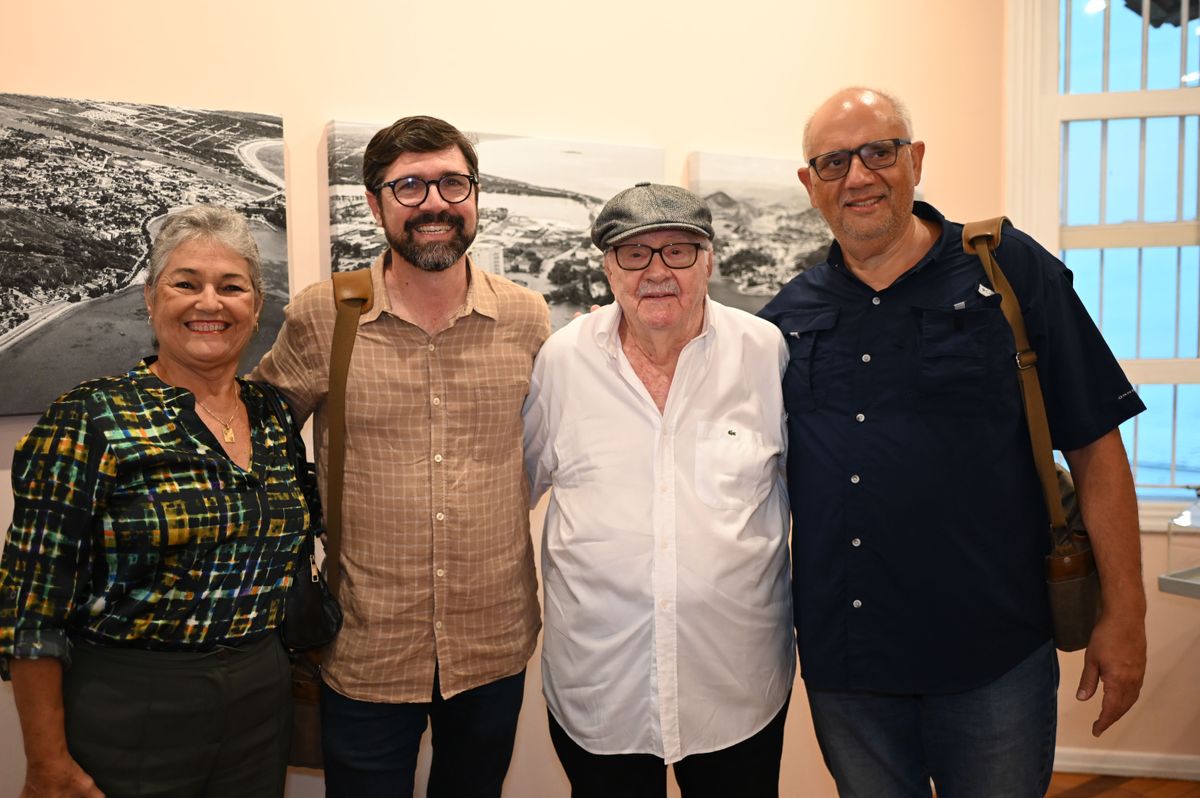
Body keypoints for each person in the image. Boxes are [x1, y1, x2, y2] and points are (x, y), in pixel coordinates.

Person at [759, 87, 1147, 797]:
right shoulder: (784, 318)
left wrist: (1125, 616)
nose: (860, 175)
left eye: (880, 151)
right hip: (850, 667)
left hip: (992, 657)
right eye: (834, 161)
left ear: (916, 160)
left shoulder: (1006, 270)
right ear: (810, 184)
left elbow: (1095, 446)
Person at [252, 115, 550, 798]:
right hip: (365, 644)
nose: (435, 203)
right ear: (374, 203)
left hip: (493, 639)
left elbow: (546, 451)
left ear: (475, 196)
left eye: (452, 183)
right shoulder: (327, 314)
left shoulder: (527, 318)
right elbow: (256, 440)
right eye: (409, 186)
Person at [0, 205, 310, 797]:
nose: (209, 304)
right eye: (185, 283)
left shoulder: (272, 416)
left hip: (261, 705)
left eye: (232, 287)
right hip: (130, 705)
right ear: (150, 298)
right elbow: (29, 609)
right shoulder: (91, 417)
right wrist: (45, 763)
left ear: (257, 304)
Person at [523, 183, 795, 798]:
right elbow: (517, 485)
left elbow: (805, 487)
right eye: (633, 254)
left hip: (738, 688)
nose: (656, 272)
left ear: (709, 260)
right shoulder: (561, 362)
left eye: (677, 251)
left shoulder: (763, 352)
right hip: (601, 689)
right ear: (606, 267)